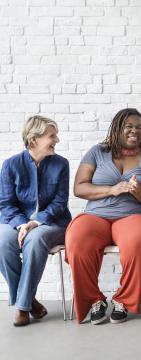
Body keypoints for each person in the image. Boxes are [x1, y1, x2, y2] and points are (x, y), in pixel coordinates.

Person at [65, 108, 141, 325]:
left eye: (139, 127)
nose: (134, 131)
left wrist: (138, 191)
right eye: (128, 126)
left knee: (135, 243)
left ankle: (123, 301)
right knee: (77, 242)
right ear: (117, 128)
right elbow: (79, 188)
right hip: (96, 215)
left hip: (133, 216)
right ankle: (94, 301)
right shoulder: (97, 152)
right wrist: (111, 189)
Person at [0, 115, 71, 326]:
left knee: (35, 240)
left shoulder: (61, 164)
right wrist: (23, 223)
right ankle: (30, 300)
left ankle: (22, 307)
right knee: (2, 242)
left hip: (52, 223)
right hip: (16, 222)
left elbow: (60, 203)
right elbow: (5, 203)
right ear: (33, 140)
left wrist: (36, 222)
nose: (57, 139)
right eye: (52, 136)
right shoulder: (11, 165)